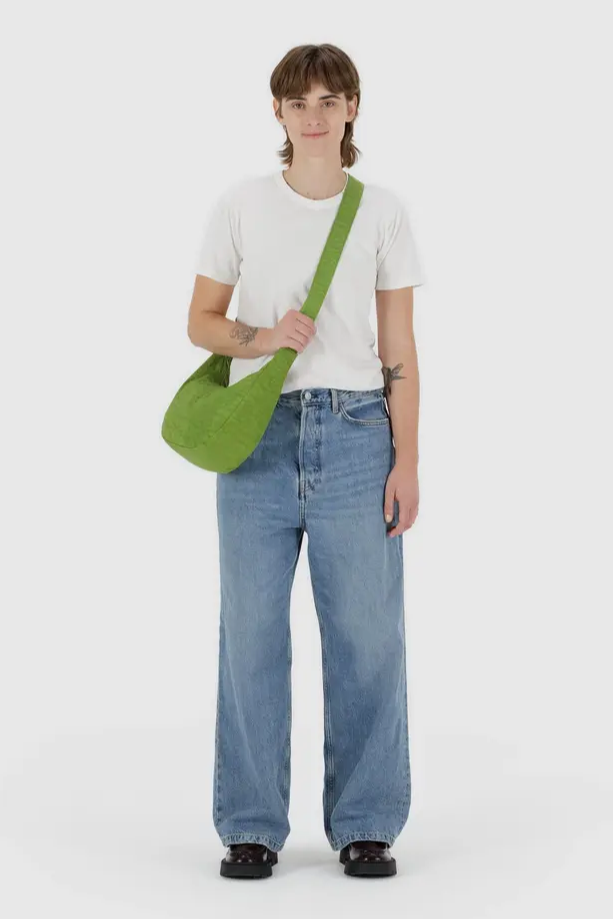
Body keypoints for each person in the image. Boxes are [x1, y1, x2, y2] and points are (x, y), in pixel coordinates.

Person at [187, 43, 425, 879]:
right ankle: (250, 824)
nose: (313, 115)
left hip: (357, 433)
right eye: (298, 102)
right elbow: (200, 320)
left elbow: (398, 347)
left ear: (352, 107)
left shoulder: (380, 211)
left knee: (366, 634)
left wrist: (406, 458)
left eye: (329, 100)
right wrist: (261, 338)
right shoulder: (241, 204)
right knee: (250, 632)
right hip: (257, 437)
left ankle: (366, 822)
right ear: (278, 112)